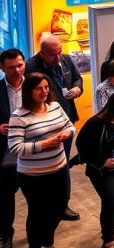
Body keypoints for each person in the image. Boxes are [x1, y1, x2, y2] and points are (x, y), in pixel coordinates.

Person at [7, 71, 76, 248]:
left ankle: (47, 239)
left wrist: (68, 133)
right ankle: (38, 244)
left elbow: (70, 126)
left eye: (46, 87)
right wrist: (45, 144)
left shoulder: (55, 106)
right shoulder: (19, 116)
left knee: (60, 207)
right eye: (39, 88)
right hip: (32, 175)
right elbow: (15, 148)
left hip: (59, 168)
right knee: (38, 213)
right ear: (29, 91)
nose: (44, 91)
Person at [25, 36, 82, 221]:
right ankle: (47, 207)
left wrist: (77, 89)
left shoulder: (65, 59)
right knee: (47, 168)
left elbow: (77, 79)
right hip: (43, 124)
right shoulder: (31, 67)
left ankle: (62, 205)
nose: (58, 57)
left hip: (65, 118)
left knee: (63, 164)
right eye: (52, 54)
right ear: (42, 53)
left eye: (59, 52)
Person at [76, 91, 114, 248]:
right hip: (102, 171)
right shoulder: (96, 123)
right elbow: (81, 145)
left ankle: (110, 229)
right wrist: (101, 161)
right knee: (110, 201)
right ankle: (108, 239)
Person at [0, 49, 27, 248]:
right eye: (11, 67)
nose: (17, 70)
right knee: (5, 196)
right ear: (2, 68)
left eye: (20, 65)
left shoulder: (37, 85)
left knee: (37, 195)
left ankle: (39, 233)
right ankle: (5, 234)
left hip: (34, 149)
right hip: (6, 152)